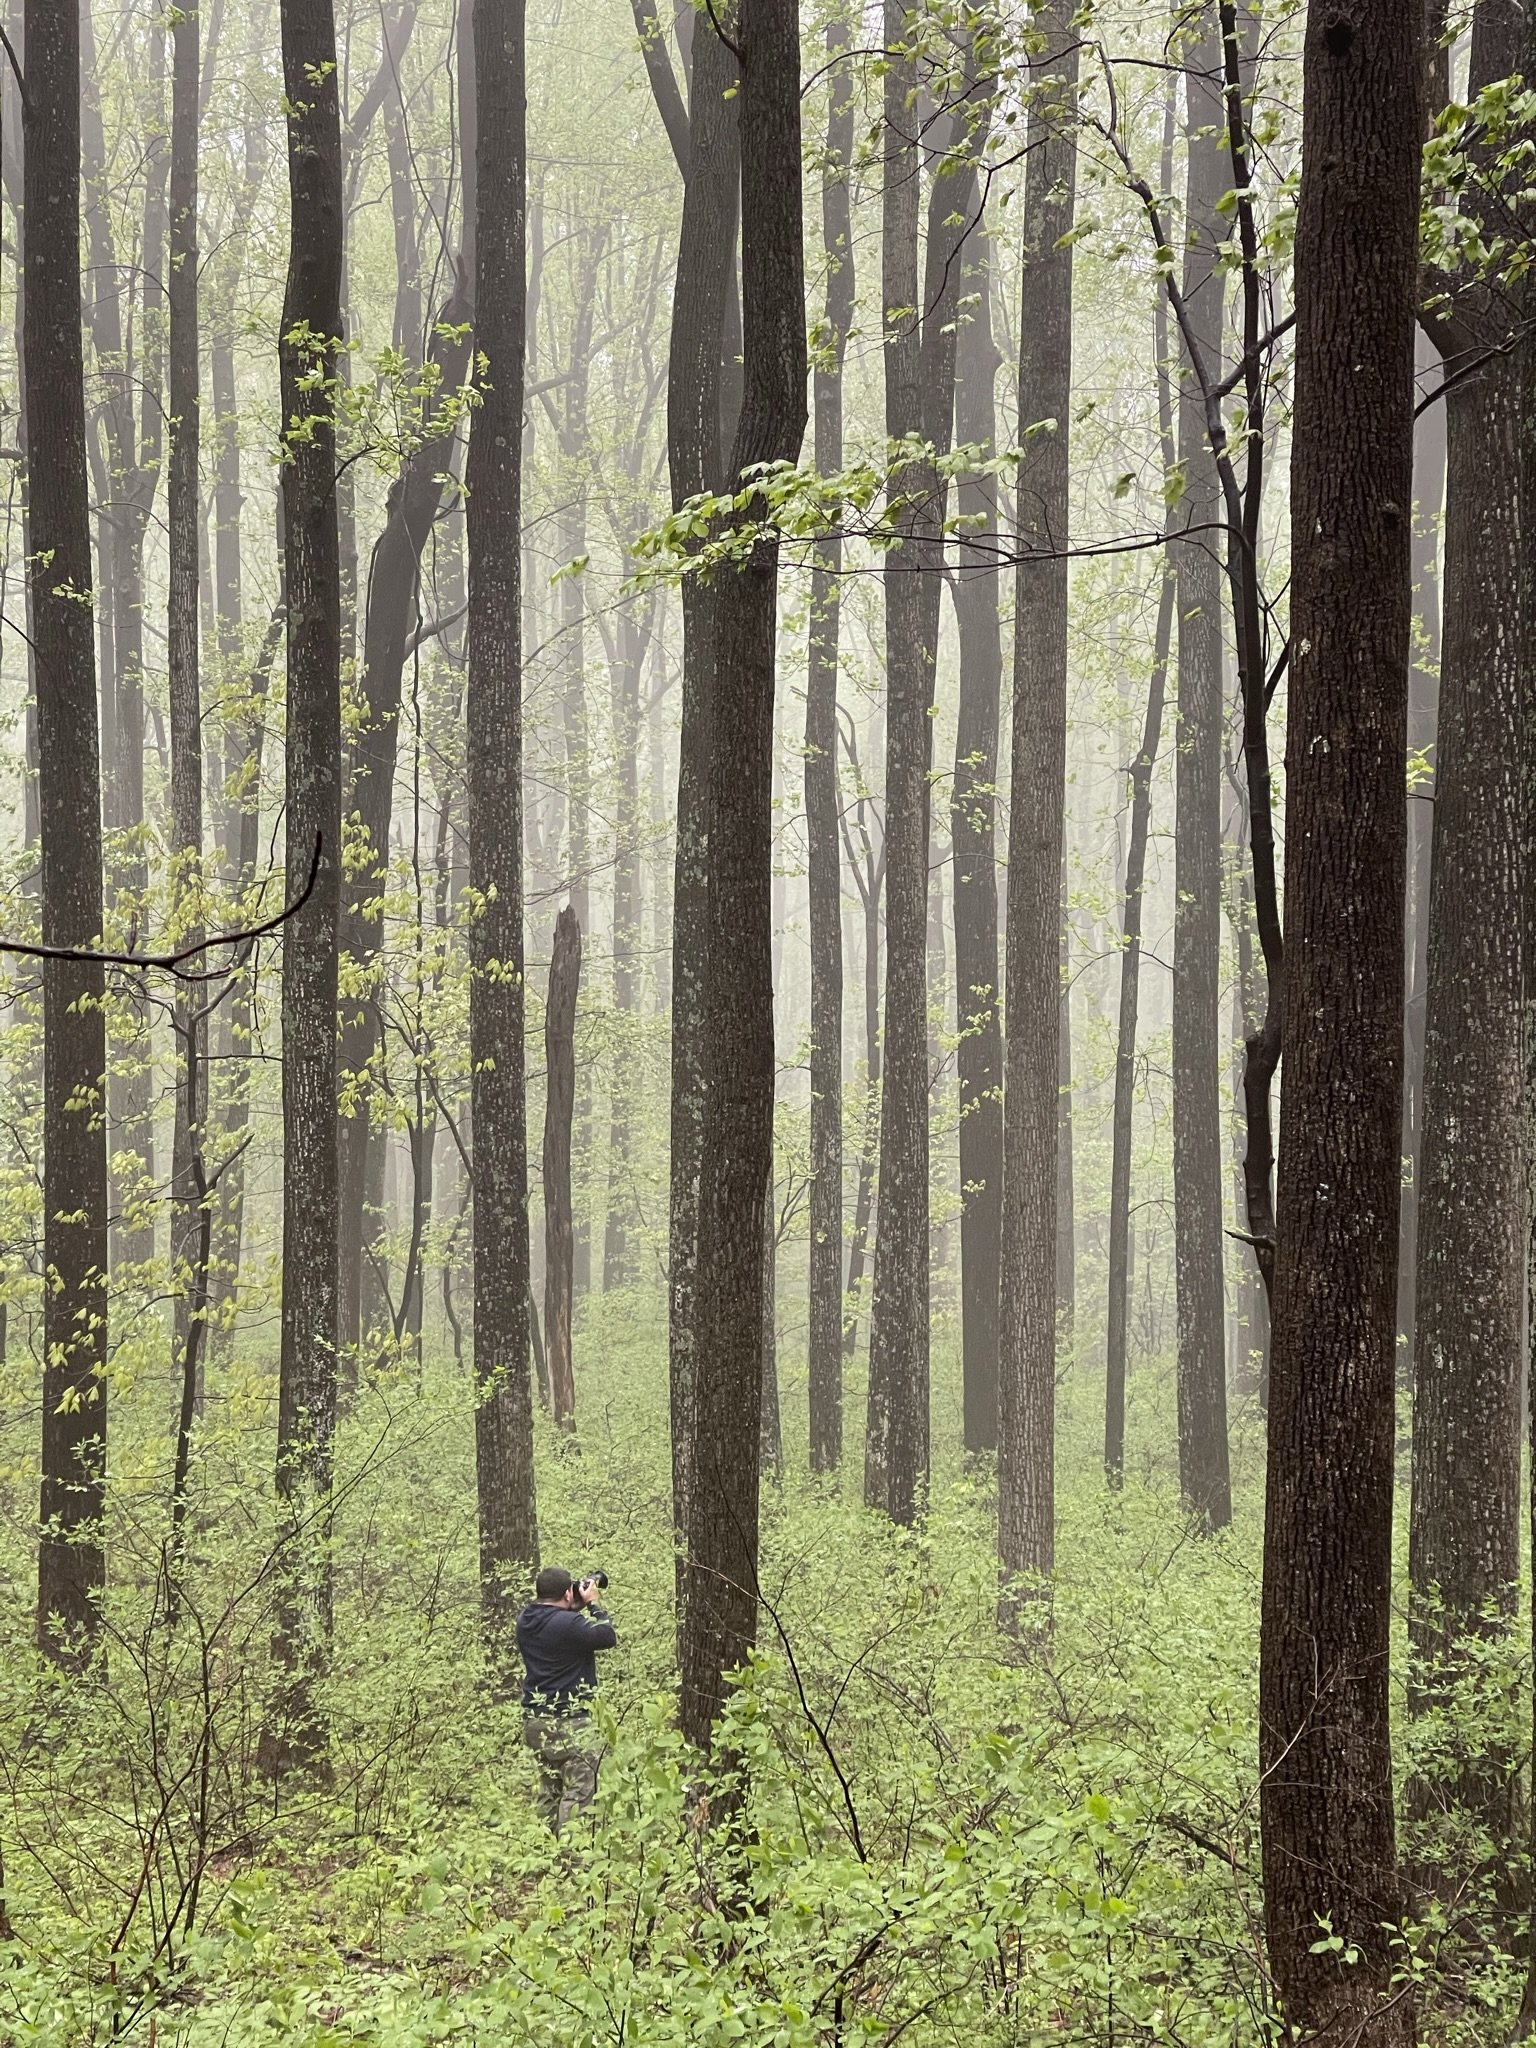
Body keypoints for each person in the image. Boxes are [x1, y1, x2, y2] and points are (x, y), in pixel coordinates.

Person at [515, 1566, 617, 1835]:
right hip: (569, 1722)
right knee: (580, 1791)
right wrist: (593, 1603)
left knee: (550, 1788)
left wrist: (573, 1605)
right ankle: (573, 1861)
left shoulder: (525, 1619)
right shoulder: (568, 1624)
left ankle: (542, 1850)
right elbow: (607, 1636)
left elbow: (554, 1622)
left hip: (536, 1722)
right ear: (566, 1594)